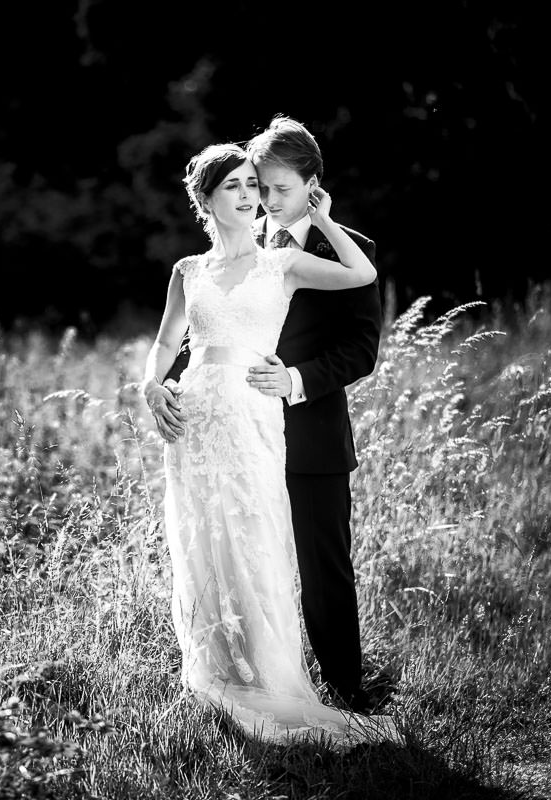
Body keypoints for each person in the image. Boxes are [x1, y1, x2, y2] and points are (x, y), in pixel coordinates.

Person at [141, 140, 393, 745]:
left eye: (269, 187)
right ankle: (226, 668)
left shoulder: (303, 257)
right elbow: (167, 342)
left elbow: (362, 338)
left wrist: (295, 381)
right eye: (248, 186)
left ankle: (333, 683)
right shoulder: (190, 270)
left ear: (308, 184)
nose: (260, 198)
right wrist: (152, 387)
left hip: (282, 420)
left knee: (306, 556)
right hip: (202, 419)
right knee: (211, 543)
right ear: (207, 199)